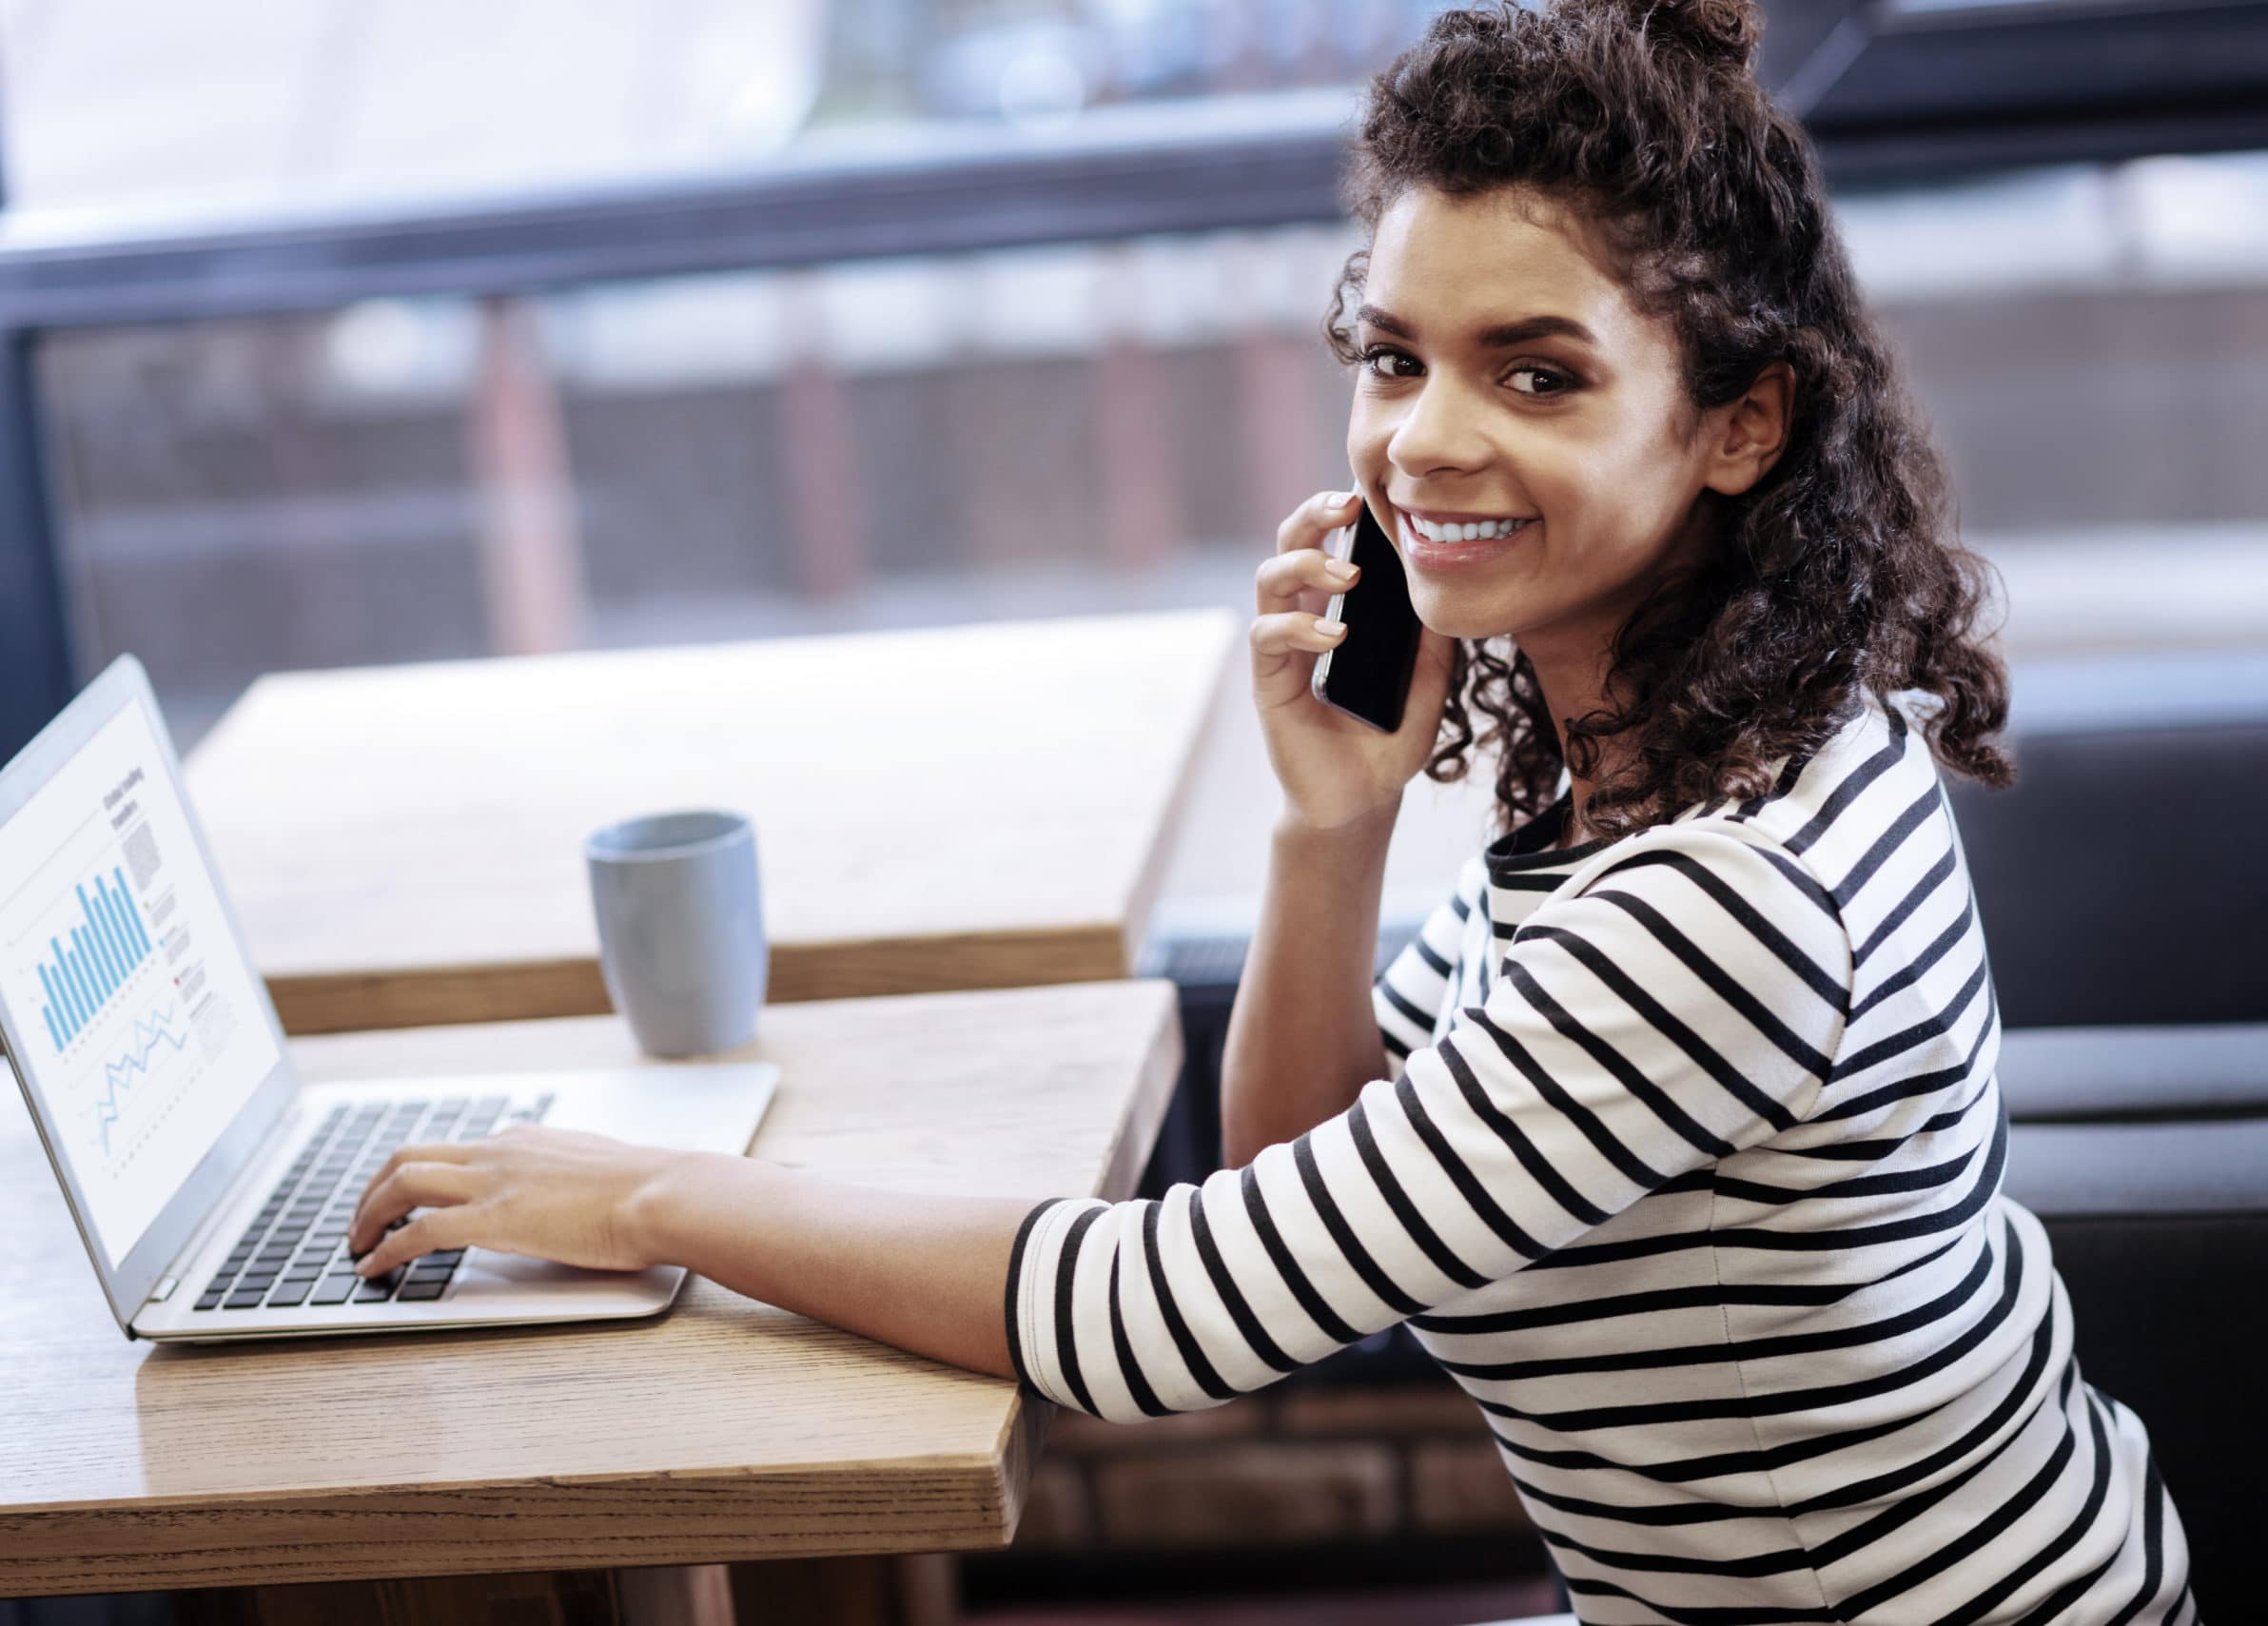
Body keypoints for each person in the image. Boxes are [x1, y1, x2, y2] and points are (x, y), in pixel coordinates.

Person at [344, 0, 2200, 1617]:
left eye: (1533, 374)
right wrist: (1331, 830)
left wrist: (658, 1196)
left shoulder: (1719, 906)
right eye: (1391, 357)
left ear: (1740, 425)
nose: (1421, 440)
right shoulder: (1661, 739)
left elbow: (1166, 1332)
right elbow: (1292, 1187)